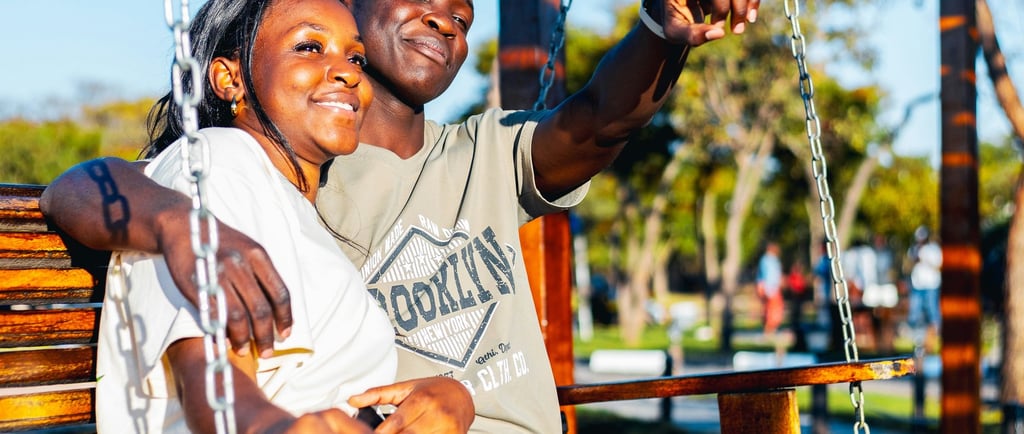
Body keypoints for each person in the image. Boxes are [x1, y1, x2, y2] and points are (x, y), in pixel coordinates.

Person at [41, 1, 761, 431]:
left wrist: (659, 31)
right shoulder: (253, 168)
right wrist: (173, 221)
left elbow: (600, 121)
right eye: (313, 46)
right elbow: (105, 189)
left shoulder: (474, 153)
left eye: (463, 13)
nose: (449, 16)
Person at [95, 1, 471, 432]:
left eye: (356, 58)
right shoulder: (221, 162)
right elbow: (218, 395)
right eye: (310, 47)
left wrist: (448, 395)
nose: (350, 73)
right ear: (229, 78)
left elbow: (316, 392)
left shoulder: (290, 205)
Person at [905, 225, 942, 352]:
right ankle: (918, 340)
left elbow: (938, 265)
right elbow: (909, 263)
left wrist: (925, 259)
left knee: (932, 312)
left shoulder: (933, 249)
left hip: (930, 285)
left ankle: (933, 338)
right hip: (917, 285)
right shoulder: (914, 249)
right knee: (915, 313)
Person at [756, 242, 784, 340]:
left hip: (774, 288)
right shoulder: (766, 260)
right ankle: (768, 330)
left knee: (775, 310)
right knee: (770, 310)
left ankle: (771, 329)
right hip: (770, 288)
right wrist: (762, 287)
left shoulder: (774, 260)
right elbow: (762, 276)